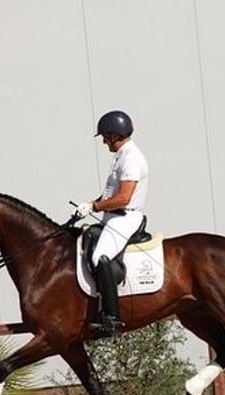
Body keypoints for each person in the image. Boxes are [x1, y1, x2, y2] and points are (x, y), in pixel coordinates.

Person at [74, 110, 149, 336]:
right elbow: (110, 195)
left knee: (99, 257)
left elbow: (124, 197)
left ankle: (111, 317)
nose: (104, 141)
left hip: (126, 217)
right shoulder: (121, 156)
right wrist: (89, 205)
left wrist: (95, 208)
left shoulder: (132, 158)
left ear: (114, 134)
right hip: (113, 216)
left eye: (105, 137)